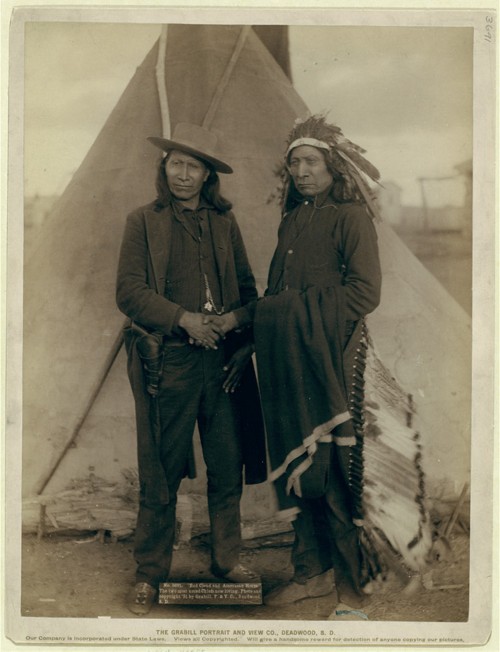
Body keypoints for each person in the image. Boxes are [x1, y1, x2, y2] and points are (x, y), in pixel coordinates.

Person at [116, 122, 266, 615]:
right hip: (172, 364)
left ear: (207, 176)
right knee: (160, 471)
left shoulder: (224, 223)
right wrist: (183, 319)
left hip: (221, 367)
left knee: (227, 468)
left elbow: (249, 293)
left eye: (194, 166)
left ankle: (226, 561)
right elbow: (130, 292)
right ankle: (150, 574)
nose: (183, 174)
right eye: (176, 163)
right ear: (165, 168)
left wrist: (233, 327)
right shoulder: (143, 222)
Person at [254, 114, 382, 617]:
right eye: (294, 164)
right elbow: (275, 293)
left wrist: (297, 318)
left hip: (330, 356)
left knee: (331, 471)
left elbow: (365, 293)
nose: (302, 171)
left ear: (333, 165)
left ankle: (352, 594)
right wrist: (259, 331)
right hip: (288, 356)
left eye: (311, 161)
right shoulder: (292, 219)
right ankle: (310, 574)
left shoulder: (351, 217)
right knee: (296, 468)